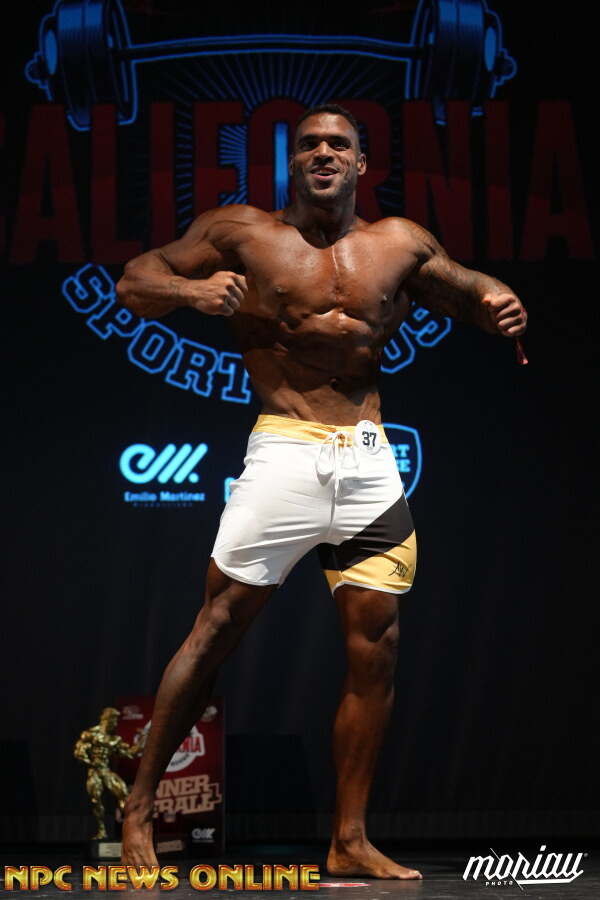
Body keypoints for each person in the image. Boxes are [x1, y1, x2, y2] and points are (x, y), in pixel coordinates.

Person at [115, 103, 527, 878]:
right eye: (309, 145)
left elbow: (462, 287)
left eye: (339, 143)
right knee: (216, 629)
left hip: (368, 461)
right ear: (292, 162)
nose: (324, 153)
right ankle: (138, 808)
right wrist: (193, 296)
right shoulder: (243, 234)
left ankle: (349, 838)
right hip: (286, 450)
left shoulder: (398, 243)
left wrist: (496, 298)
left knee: (378, 650)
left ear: (361, 163)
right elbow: (135, 280)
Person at [73, 707, 144, 840]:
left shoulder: (114, 740)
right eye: (114, 720)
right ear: (107, 719)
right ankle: (101, 831)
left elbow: (130, 754)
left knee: (123, 795)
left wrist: (142, 739)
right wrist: (91, 762)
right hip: (94, 771)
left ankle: (130, 829)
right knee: (96, 800)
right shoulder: (90, 735)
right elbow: (79, 752)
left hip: (105, 771)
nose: (115, 724)